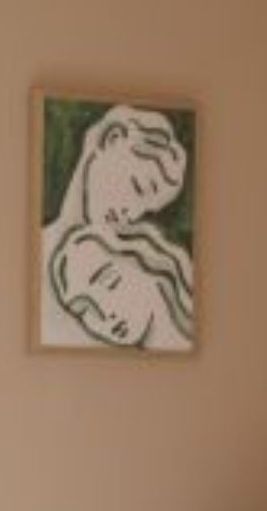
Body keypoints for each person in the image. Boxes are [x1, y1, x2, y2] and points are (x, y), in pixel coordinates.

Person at [41, 104, 195, 350]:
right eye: (138, 188)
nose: (131, 215)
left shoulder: (142, 275)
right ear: (112, 139)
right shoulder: (42, 256)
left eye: (145, 210)